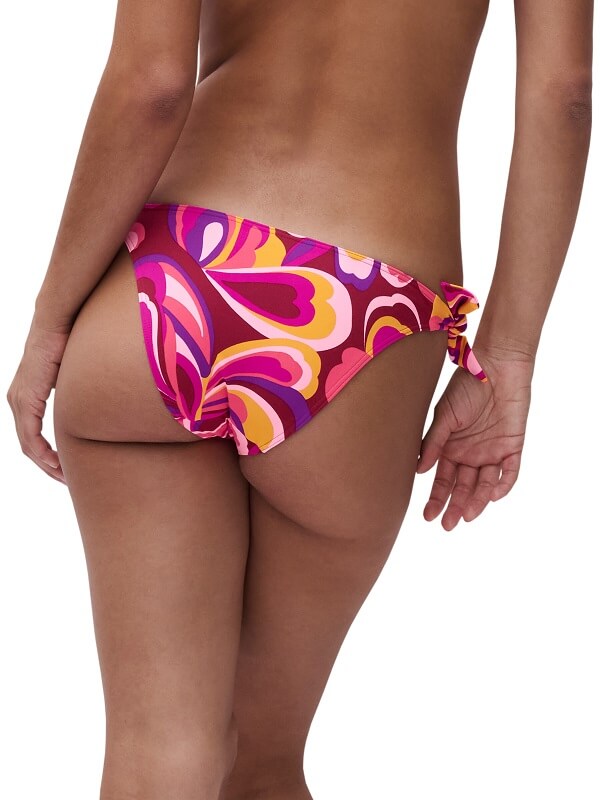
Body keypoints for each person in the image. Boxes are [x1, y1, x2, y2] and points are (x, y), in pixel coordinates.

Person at [6, 1, 593, 798]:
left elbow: (152, 85)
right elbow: (562, 93)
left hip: (172, 279)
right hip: (367, 302)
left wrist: (50, 321)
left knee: (157, 750)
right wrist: (508, 357)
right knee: (262, 763)